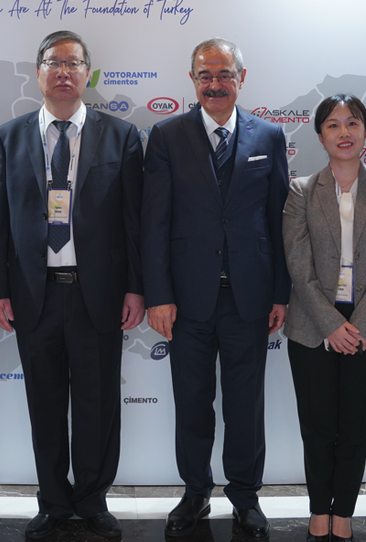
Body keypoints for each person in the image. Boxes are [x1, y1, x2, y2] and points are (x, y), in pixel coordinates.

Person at [0, 31, 144, 541]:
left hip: (98, 295)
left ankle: (92, 500)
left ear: (87, 73)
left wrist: (135, 288)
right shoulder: (9, 137)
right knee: (46, 405)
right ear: (38, 73)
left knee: (98, 406)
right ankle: (53, 502)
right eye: (54, 62)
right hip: (34, 295)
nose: (63, 72)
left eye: (73, 63)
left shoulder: (121, 136)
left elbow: (134, 221)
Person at [142, 38, 290, 540]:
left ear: (241, 78)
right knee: (192, 401)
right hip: (187, 300)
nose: (215, 84)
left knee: (246, 405)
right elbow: (154, 222)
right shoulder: (166, 135)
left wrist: (280, 293)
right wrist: (159, 295)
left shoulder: (269, 136)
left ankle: (245, 497)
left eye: (224, 74)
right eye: (205, 75)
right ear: (192, 80)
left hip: (249, 297)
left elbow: (279, 220)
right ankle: (195, 492)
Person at [282, 94, 366, 542]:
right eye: (333, 125)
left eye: (352, 123)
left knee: (357, 426)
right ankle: (320, 508)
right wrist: (331, 325)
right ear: (320, 136)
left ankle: (345, 511)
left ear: (365, 131)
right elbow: (297, 263)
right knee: (317, 425)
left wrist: (359, 324)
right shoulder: (301, 190)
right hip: (312, 324)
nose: (344, 132)